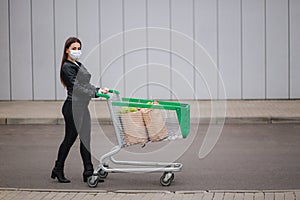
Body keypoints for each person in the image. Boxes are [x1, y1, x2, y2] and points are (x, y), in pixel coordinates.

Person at [51, 37, 109, 183]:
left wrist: (98, 89)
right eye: (73, 49)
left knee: (86, 140)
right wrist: (95, 93)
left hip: (82, 106)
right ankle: (58, 169)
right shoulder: (67, 67)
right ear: (67, 50)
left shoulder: (77, 64)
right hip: (73, 107)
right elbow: (76, 87)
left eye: (78, 48)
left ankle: (88, 172)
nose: (77, 51)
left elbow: (85, 84)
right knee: (69, 139)